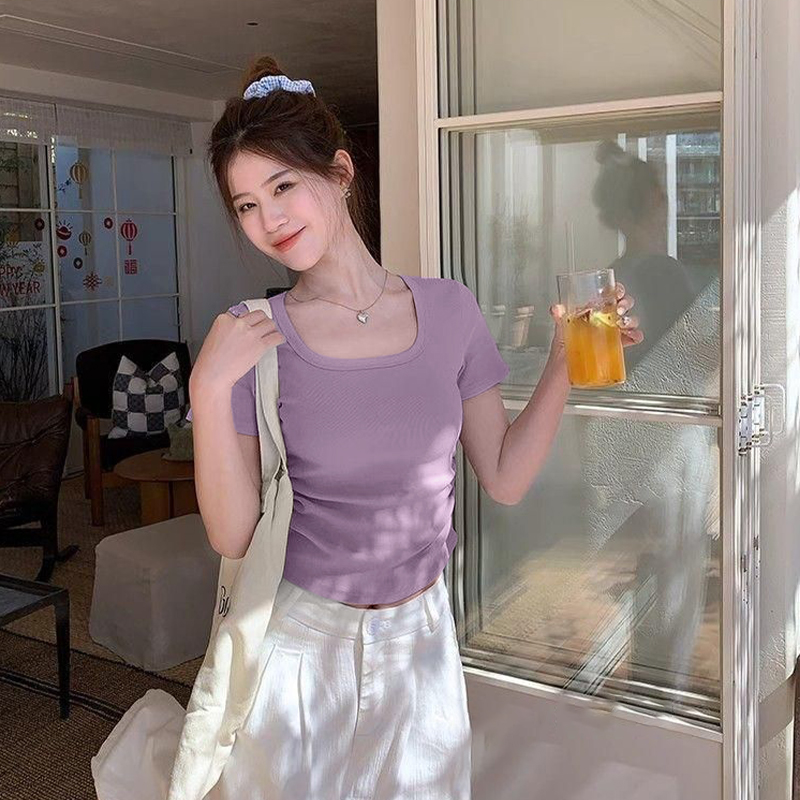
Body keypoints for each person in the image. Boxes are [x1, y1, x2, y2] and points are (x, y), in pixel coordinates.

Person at [188, 56, 642, 799]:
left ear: (340, 172)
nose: (269, 221)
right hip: (300, 645)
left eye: (283, 187)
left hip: (421, 641)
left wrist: (564, 363)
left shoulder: (449, 310)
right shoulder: (251, 335)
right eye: (246, 205)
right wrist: (208, 391)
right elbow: (233, 536)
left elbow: (505, 476)